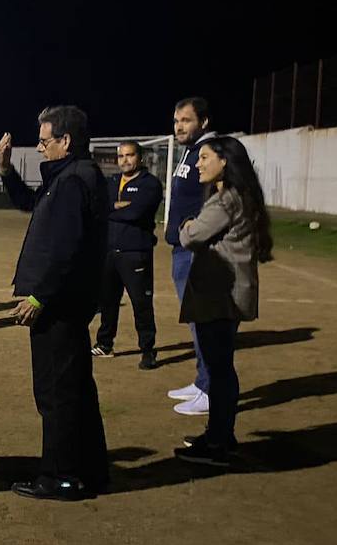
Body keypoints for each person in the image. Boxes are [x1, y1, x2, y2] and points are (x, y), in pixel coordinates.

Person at [0, 106, 109, 500]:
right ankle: (90, 469)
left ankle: (61, 475)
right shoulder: (72, 176)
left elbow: (65, 247)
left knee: (56, 392)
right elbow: (30, 203)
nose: (41, 147)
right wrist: (7, 170)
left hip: (60, 304)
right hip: (68, 302)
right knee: (76, 387)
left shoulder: (75, 179)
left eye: (45, 141)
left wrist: (39, 295)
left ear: (66, 141)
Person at [173, 135, 273, 467]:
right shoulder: (238, 196)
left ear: (224, 161)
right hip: (225, 295)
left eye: (204, 158)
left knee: (219, 370)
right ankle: (219, 435)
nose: (198, 164)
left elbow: (191, 235)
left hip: (220, 296)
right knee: (220, 367)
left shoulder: (226, 200)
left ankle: (218, 443)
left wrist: (187, 225)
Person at [164, 97, 220, 415]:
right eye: (176, 121)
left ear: (204, 122)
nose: (179, 126)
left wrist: (196, 233)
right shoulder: (190, 151)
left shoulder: (210, 151)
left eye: (186, 120)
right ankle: (202, 382)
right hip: (182, 248)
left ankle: (211, 390)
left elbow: (218, 199)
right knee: (195, 323)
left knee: (204, 323)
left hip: (197, 251)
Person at [91, 140, 162, 368]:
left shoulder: (150, 184)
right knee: (108, 301)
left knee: (141, 304)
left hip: (135, 253)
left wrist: (112, 210)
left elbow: (137, 212)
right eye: (121, 156)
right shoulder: (111, 182)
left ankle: (148, 350)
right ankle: (104, 344)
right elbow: (98, 207)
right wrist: (116, 208)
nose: (125, 160)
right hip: (108, 252)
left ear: (140, 158)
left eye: (129, 155)